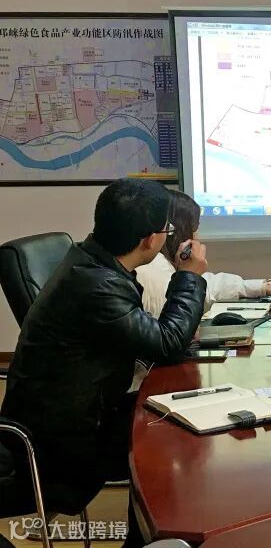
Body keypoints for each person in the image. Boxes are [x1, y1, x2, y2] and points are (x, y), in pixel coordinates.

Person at [0, 178, 208, 547]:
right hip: (59, 445)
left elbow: (154, 340)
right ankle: (150, 539)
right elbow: (167, 344)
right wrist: (189, 277)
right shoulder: (97, 285)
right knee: (168, 435)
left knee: (167, 417)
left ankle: (147, 537)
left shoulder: (92, 261)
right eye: (167, 229)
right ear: (150, 240)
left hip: (80, 413)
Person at [137, 191, 271, 317]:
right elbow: (174, 325)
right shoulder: (154, 271)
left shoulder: (161, 264)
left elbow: (210, 286)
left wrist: (263, 287)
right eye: (195, 228)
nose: (197, 236)